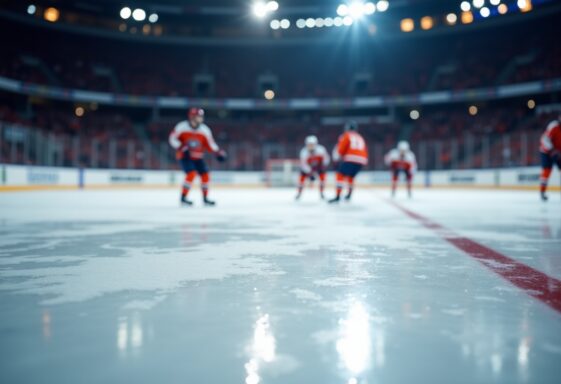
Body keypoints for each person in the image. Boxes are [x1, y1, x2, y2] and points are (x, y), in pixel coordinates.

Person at [169, 108, 227, 206]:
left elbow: (210, 143)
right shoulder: (182, 127)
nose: (201, 118)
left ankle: (205, 199)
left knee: (205, 175)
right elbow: (172, 138)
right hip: (185, 156)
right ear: (192, 117)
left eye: (201, 116)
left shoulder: (204, 130)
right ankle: (183, 198)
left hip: (198, 157)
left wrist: (218, 152)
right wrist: (181, 147)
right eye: (198, 116)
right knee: (191, 174)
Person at [329, 121, 368, 203]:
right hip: (362, 160)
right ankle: (349, 194)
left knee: (340, 174)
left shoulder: (346, 135)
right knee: (351, 176)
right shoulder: (360, 136)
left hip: (351, 158)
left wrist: (337, 158)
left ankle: (338, 196)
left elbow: (341, 149)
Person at [296, 135, 330, 200]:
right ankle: (299, 193)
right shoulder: (304, 152)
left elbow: (326, 159)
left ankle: (322, 193)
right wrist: (310, 173)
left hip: (318, 166)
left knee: (323, 177)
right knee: (301, 179)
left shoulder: (321, 150)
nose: (310, 146)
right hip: (308, 168)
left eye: (312, 144)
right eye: (309, 144)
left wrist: (323, 165)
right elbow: (303, 165)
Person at [539, 117, 561, 201]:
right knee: (546, 171)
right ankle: (542, 192)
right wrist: (552, 150)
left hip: (557, 152)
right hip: (546, 152)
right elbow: (545, 139)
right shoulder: (554, 126)